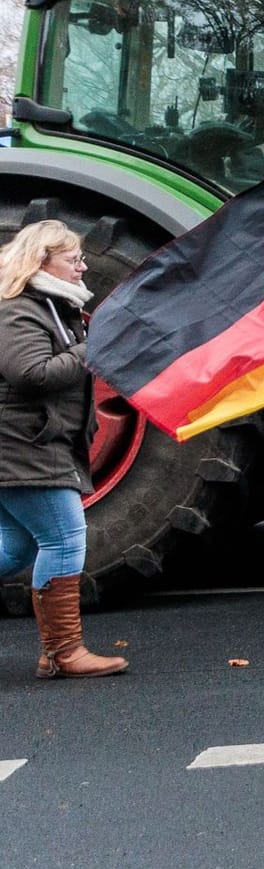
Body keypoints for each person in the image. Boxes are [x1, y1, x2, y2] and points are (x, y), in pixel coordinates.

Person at [0, 220, 129, 679]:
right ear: (41, 261)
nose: (83, 266)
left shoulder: (45, 306)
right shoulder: (19, 310)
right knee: (63, 538)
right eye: (74, 259)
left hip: (27, 445)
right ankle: (63, 653)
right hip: (26, 448)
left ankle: (60, 653)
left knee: (13, 548)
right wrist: (91, 350)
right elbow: (31, 374)